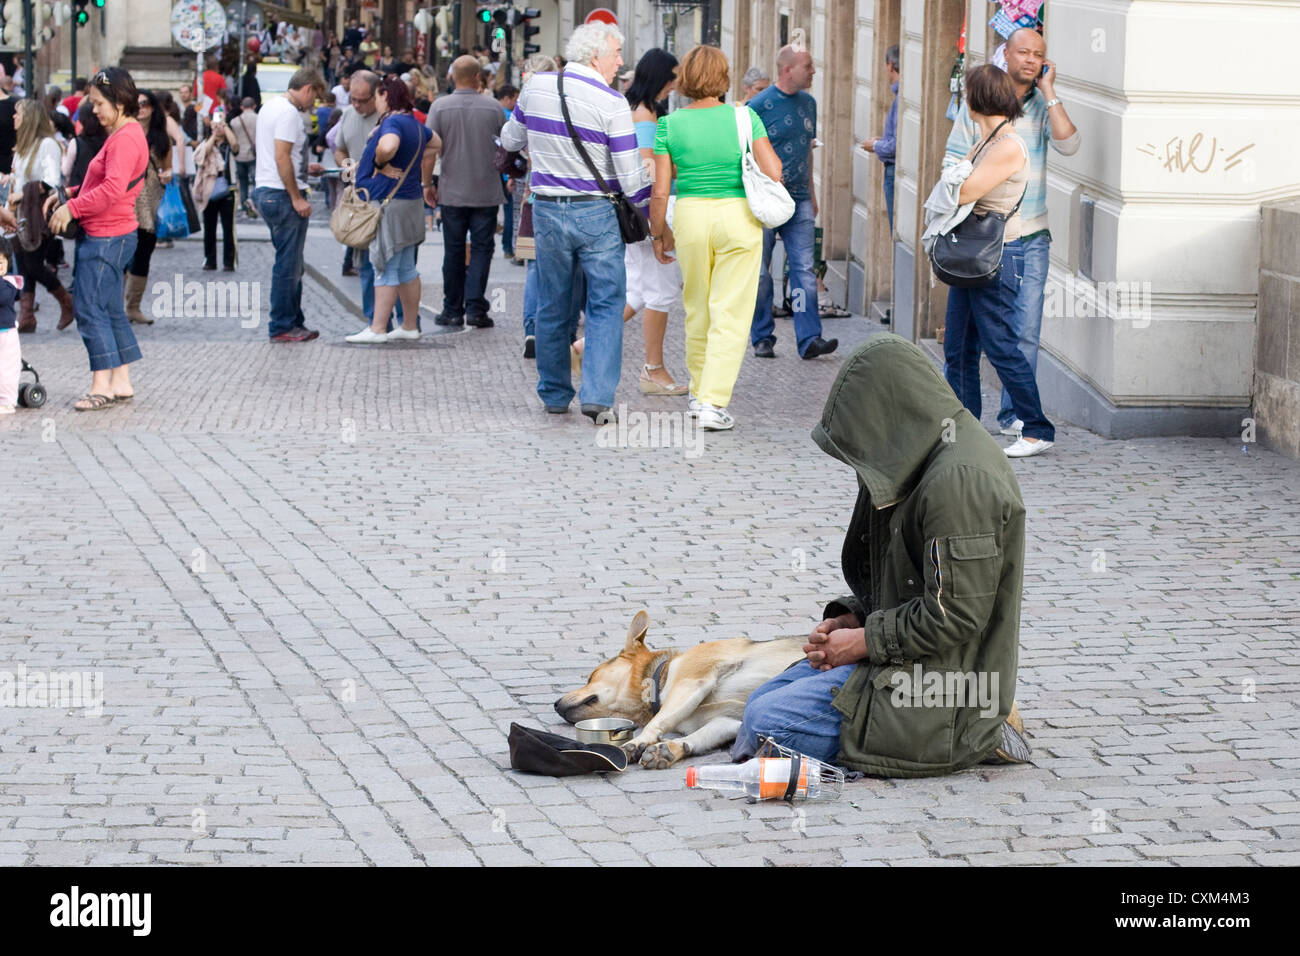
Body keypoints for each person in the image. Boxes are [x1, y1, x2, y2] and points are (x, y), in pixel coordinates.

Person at [730, 335, 1030, 774]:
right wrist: (853, 620)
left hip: (946, 691)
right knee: (758, 703)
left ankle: (981, 735)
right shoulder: (919, 454)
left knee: (767, 722)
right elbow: (912, 583)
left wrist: (864, 641)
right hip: (908, 657)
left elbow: (957, 615)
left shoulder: (960, 482)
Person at [500, 23, 653, 422]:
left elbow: (510, 138)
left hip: (547, 209)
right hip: (597, 213)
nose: (621, 60)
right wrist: (644, 207)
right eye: (617, 52)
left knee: (553, 302)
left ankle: (553, 392)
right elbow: (629, 175)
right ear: (595, 55)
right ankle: (597, 395)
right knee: (604, 302)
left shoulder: (535, 87)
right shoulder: (612, 102)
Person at [945, 28, 1080, 442]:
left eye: (1039, 54)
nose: (1031, 59)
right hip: (978, 236)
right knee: (963, 340)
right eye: (1023, 51)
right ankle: (967, 420)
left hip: (1027, 232)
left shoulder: (1041, 105)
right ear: (1006, 53)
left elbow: (1070, 145)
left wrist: (1050, 91)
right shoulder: (981, 103)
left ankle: (1018, 417)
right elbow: (952, 164)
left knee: (1020, 331)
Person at [650, 45, 780, 432]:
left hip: (691, 216)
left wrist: (658, 234)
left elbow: (659, 191)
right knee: (732, 313)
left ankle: (697, 391)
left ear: (685, 78)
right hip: (737, 216)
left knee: (697, 306)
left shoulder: (669, 125)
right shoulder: (745, 117)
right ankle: (712, 402)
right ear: (723, 77)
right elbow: (773, 172)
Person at [938, 64, 1054, 458]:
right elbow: (955, 180)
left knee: (1001, 345)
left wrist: (956, 182)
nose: (964, 100)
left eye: (967, 93)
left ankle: (1037, 429)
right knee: (958, 347)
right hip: (976, 254)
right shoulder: (988, 140)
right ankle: (965, 424)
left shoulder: (1007, 145)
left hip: (999, 255)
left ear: (979, 98)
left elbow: (963, 188)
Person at [574, 49, 686, 396]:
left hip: (642, 212)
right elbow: (647, 170)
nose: (678, 81)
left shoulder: (638, 110)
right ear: (662, 76)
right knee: (662, 291)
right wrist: (659, 224)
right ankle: (654, 370)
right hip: (654, 210)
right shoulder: (644, 116)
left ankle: (582, 345)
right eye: (674, 75)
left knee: (639, 289)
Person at [49, 68, 151, 411]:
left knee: (90, 308)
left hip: (107, 234)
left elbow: (111, 189)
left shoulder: (124, 138)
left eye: (98, 103)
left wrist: (72, 208)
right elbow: (108, 183)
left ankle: (101, 386)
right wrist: (70, 192)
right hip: (116, 233)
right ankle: (120, 380)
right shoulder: (126, 133)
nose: (94, 109)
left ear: (119, 101)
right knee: (108, 309)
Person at [746, 45, 837, 361]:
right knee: (760, 272)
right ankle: (761, 336)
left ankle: (809, 338)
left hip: (798, 201)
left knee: (803, 269)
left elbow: (808, 149)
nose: (813, 71)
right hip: (766, 201)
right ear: (789, 70)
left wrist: (812, 193)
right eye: (808, 66)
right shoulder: (757, 107)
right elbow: (744, 153)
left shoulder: (809, 104)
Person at [344, 75, 436, 344]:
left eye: (377, 96)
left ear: (386, 96)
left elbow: (389, 145)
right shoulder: (414, 122)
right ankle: (409, 325)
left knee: (384, 265)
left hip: (388, 203)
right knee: (407, 267)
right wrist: (411, 157)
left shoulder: (393, 122)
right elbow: (437, 143)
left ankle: (377, 328)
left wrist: (379, 161)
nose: (375, 101)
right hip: (410, 202)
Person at [426, 55, 506, 330]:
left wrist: (428, 184)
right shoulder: (494, 108)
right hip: (486, 190)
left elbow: (429, 149)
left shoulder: (439, 107)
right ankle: (475, 307)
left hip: (452, 191)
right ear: (477, 78)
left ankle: (451, 309)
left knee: (454, 250)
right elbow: (507, 146)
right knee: (483, 249)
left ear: (452, 77)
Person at [252, 67, 327, 343]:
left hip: (267, 189)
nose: (314, 104)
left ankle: (294, 321)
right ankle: (282, 325)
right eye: (315, 97)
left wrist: (305, 168)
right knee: (288, 265)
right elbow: (282, 158)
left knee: (291, 262)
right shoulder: (289, 114)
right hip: (281, 195)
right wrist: (296, 196)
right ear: (307, 88)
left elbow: (279, 156)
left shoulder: (271, 106)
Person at [332, 69, 400, 328]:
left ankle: (404, 321)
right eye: (353, 99)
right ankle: (375, 321)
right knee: (366, 264)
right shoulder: (348, 115)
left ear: (377, 94)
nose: (357, 105)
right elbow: (339, 149)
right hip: (360, 201)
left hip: (389, 199)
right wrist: (347, 165)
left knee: (395, 260)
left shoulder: (389, 118)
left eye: (363, 100)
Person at [8, 100, 74, 333]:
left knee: (34, 265)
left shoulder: (47, 144)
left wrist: (21, 193)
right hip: (20, 215)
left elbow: (51, 181)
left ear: (29, 118)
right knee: (25, 266)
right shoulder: (24, 146)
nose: (14, 117)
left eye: (18, 114)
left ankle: (67, 301)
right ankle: (26, 316)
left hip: (38, 214)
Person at [123, 90, 172, 326]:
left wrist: (167, 176)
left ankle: (132, 307)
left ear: (153, 108)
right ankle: (115, 306)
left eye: (145, 104)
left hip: (149, 204)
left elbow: (168, 168)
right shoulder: (123, 133)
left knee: (143, 254)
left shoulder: (161, 139)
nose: (141, 108)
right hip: (124, 203)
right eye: (137, 103)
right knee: (121, 254)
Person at [193, 106, 239, 271]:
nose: (218, 128)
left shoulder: (227, 145)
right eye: (215, 124)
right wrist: (213, 133)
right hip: (209, 189)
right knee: (209, 228)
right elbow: (201, 156)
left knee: (228, 229)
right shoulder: (206, 143)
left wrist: (225, 126)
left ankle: (228, 262)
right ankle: (210, 260)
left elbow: (235, 145)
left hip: (228, 189)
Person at [861, 44, 899, 230]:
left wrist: (875, 145)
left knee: (896, 226)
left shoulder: (901, 99)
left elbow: (896, 146)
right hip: (894, 169)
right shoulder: (900, 96)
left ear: (890, 66)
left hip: (894, 169)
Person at [493, 84, 518, 258]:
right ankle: (508, 246)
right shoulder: (509, 118)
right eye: (515, 99)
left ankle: (506, 245)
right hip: (509, 171)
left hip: (496, 170)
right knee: (510, 211)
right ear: (507, 98)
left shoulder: (493, 113)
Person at [229, 98, 258, 217]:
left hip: (239, 156)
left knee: (243, 181)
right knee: (256, 180)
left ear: (242, 107)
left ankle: (244, 203)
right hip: (253, 154)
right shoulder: (259, 119)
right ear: (254, 106)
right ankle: (253, 201)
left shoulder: (234, 121)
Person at [0, 238, 19, 414]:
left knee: (6, 368)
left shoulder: (8, 284)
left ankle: (7, 401)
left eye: (1, 262)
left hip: (5, 334)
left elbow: (4, 298)